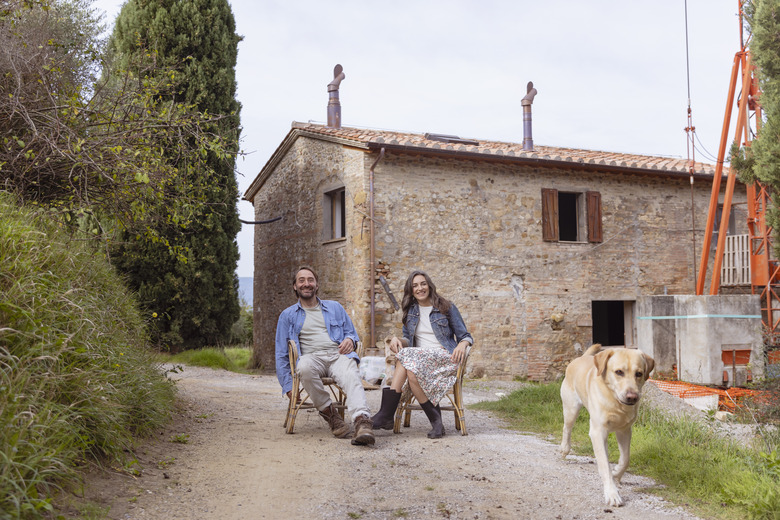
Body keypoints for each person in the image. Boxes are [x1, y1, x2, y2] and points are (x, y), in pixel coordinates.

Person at [275, 266, 375, 446]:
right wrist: (288, 385)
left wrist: (350, 340)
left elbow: (352, 333)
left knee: (351, 373)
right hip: (311, 357)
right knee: (303, 367)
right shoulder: (287, 315)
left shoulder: (335, 307)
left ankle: (362, 422)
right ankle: (331, 415)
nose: (307, 284)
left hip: (337, 354)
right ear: (295, 287)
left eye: (310, 280)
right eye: (302, 280)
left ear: (317, 284)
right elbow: (282, 353)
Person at [371, 270, 472, 438]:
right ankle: (436, 422)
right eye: (415, 285)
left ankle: (386, 414)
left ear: (429, 285)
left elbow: (465, 335)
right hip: (419, 360)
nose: (420, 288)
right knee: (411, 370)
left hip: (444, 358)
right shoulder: (410, 311)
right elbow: (408, 340)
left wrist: (462, 344)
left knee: (407, 359)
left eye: (423, 284)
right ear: (411, 291)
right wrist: (398, 339)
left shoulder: (446, 306)